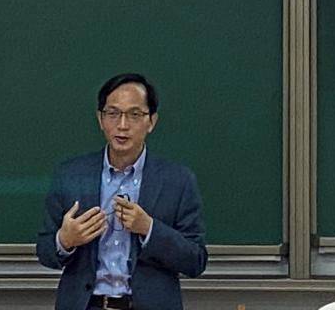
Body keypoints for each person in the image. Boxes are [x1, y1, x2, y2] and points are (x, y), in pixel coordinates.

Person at [37, 73, 207, 310]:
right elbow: (44, 250)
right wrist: (65, 241)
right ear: (100, 119)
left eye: (134, 114)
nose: (123, 125)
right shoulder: (70, 175)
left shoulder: (178, 180)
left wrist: (149, 229)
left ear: (151, 121)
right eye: (113, 113)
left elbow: (196, 260)